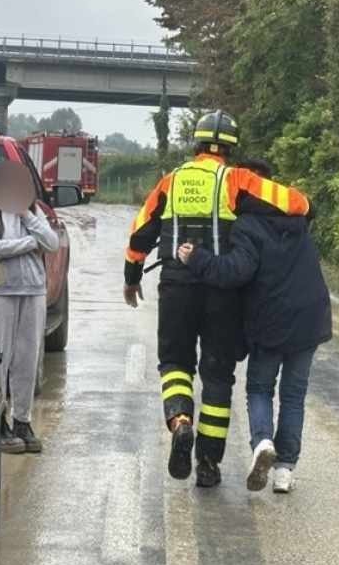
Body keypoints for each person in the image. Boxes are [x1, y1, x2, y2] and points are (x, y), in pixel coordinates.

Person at [123, 111, 313, 488]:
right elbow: (298, 204)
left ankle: (180, 422)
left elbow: (140, 232)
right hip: (223, 293)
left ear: (195, 143)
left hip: (176, 287)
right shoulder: (237, 179)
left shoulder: (170, 182)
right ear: (229, 147)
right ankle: (208, 463)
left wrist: (131, 278)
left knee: (175, 364)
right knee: (217, 377)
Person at [176, 157, 331, 493]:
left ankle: (262, 443)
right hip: (310, 316)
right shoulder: (297, 213)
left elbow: (235, 271)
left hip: (272, 320)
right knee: (294, 393)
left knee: (260, 388)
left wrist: (196, 258)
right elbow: (311, 210)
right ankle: (284, 472)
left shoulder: (247, 224)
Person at [0, 162, 60, 454]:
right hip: (2, 292)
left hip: (34, 292)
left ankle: (22, 421)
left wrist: (28, 217)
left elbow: (51, 241)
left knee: (26, 360)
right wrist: (28, 242)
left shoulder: (33, 211)